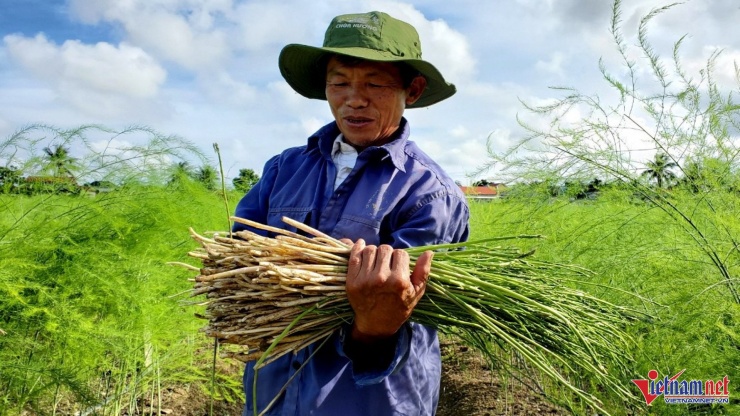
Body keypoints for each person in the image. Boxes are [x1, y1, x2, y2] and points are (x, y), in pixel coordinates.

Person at [233, 10, 470, 416]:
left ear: (411, 90)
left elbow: (407, 312)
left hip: (370, 401)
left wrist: (375, 324)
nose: (353, 99)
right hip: (273, 392)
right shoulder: (283, 169)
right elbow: (240, 256)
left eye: (374, 84)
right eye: (339, 83)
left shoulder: (430, 193)